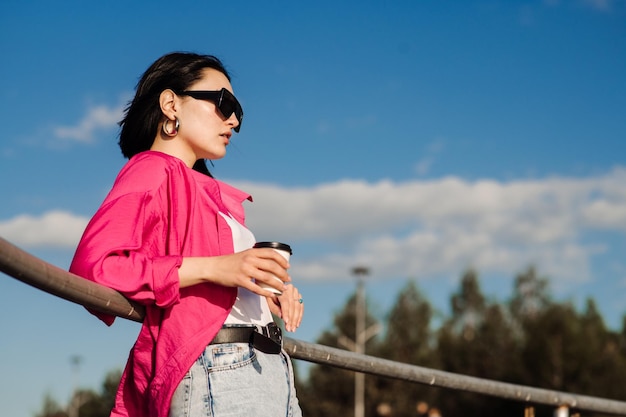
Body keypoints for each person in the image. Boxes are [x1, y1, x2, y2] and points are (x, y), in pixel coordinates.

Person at [69, 52, 304, 417]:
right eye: (224, 103)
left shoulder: (207, 194)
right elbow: (95, 267)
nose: (234, 120)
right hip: (222, 369)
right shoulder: (151, 171)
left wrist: (266, 291)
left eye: (238, 112)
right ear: (171, 104)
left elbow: (216, 281)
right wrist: (217, 268)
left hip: (272, 370)